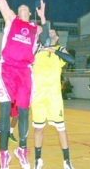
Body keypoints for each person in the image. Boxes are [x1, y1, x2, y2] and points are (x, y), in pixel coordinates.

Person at [0, 0, 49, 169]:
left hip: (25, 72)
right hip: (7, 71)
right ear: (17, 12)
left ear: (30, 14)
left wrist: (43, 17)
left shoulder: (36, 28)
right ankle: (3, 153)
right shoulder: (10, 19)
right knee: (5, 113)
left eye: (26, 8)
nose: (23, 7)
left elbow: (46, 40)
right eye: (21, 7)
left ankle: (22, 149)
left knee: (25, 112)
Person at [31, 29, 75, 169]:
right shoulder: (37, 49)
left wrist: (53, 51)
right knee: (38, 129)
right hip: (38, 96)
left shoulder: (60, 50)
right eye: (47, 32)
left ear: (57, 37)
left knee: (61, 128)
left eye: (52, 32)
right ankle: (38, 160)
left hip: (54, 96)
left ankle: (67, 161)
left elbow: (72, 60)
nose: (49, 33)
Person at [0, 55, 18, 143]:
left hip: (14, 94)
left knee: (16, 115)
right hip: (4, 93)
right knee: (5, 115)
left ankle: (10, 133)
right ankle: (3, 133)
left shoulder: (14, 59)